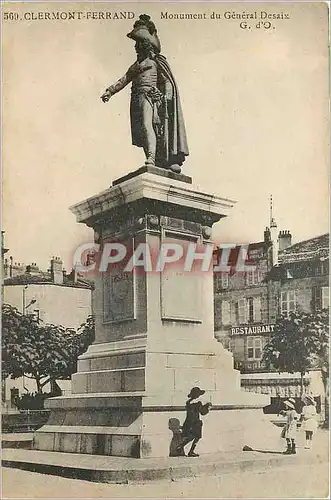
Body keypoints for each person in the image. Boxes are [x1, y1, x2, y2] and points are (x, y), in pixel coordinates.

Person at [101, 14, 189, 172]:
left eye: (139, 43)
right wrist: (109, 91)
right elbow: (124, 80)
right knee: (142, 128)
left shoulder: (155, 62)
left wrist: (167, 96)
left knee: (148, 126)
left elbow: (167, 81)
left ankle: (151, 157)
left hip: (150, 96)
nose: (136, 47)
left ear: (145, 45)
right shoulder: (135, 65)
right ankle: (151, 157)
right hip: (136, 97)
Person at [176, 387, 212, 457]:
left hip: (188, 422)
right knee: (197, 436)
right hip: (196, 422)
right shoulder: (198, 403)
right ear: (197, 395)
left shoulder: (188, 402)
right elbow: (202, 412)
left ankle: (181, 447)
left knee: (191, 436)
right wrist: (208, 408)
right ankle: (189, 450)